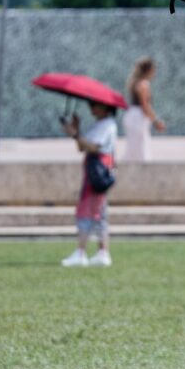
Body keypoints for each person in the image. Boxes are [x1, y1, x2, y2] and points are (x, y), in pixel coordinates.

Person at [61, 101, 118, 267]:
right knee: (99, 212)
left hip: (97, 171)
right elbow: (82, 147)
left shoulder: (107, 125)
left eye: (95, 104)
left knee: (87, 211)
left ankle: (81, 252)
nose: (92, 107)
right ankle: (102, 252)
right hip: (95, 170)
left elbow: (93, 147)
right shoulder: (101, 125)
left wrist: (76, 135)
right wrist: (76, 131)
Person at [122, 56, 165, 163]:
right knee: (140, 150)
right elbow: (145, 105)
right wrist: (156, 121)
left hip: (133, 116)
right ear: (149, 70)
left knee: (134, 149)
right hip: (137, 118)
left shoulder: (136, 83)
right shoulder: (143, 84)